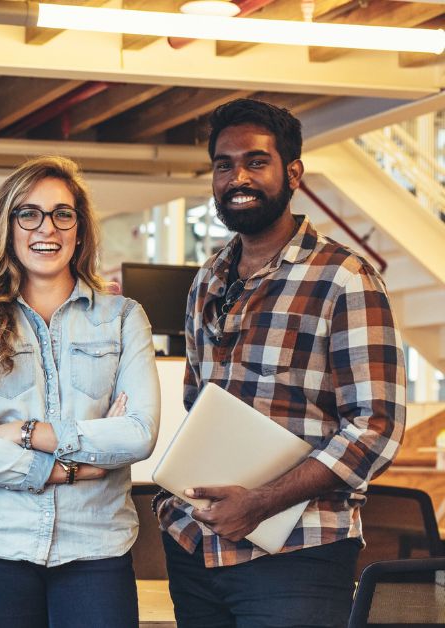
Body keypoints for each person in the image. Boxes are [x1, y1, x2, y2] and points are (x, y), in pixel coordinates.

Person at [155, 98, 405, 628]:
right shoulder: (208, 280)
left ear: (293, 174)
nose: (237, 177)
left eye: (255, 161)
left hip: (297, 554)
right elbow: (197, 404)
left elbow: (375, 429)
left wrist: (261, 502)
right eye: (224, 164)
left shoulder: (344, 279)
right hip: (196, 545)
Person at [0, 155, 160, 628]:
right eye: (28, 213)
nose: (45, 228)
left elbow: (138, 435)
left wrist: (27, 432)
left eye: (61, 214)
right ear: (8, 226)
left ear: (79, 229)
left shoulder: (122, 317)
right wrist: (67, 470)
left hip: (96, 548)